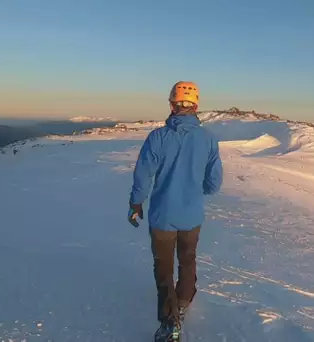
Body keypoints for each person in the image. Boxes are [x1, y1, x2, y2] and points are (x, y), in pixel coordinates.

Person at [127, 81, 223, 341]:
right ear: (196, 106)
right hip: (192, 216)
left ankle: (170, 323)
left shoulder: (158, 137)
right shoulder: (208, 139)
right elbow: (214, 184)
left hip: (162, 216)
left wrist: (136, 203)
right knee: (188, 258)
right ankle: (183, 301)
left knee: (163, 266)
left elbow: (143, 175)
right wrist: (194, 188)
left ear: (171, 104)